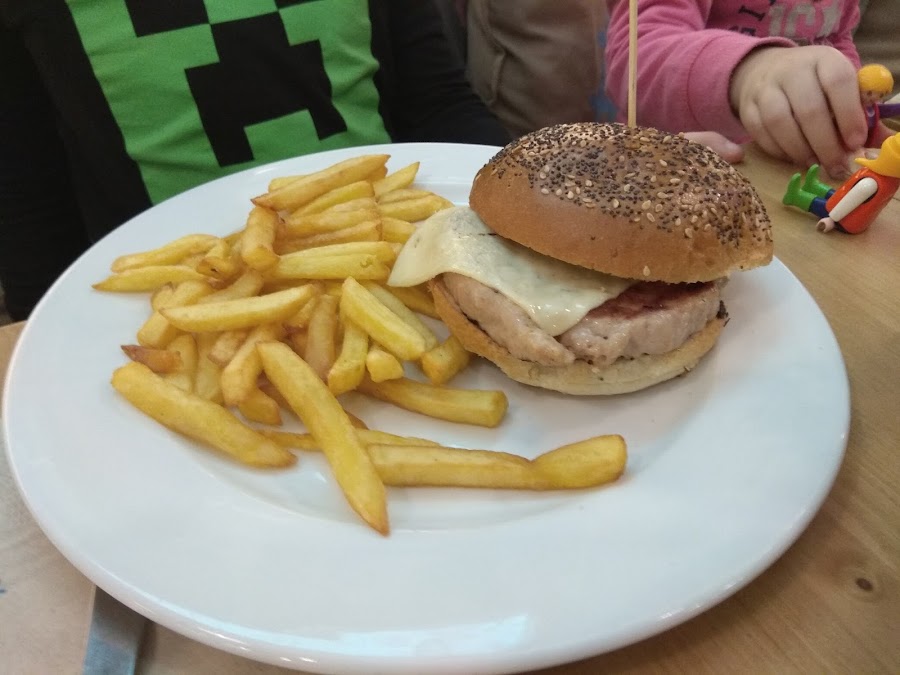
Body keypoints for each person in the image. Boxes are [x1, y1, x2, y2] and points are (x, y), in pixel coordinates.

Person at [0, 0, 510, 321]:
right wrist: (33, 336)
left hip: (413, 281)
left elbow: (440, 102)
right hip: (159, 311)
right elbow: (27, 194)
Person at [604, 0, 868, 182]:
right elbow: (634, 54)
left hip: (793, 172)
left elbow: (835, 36)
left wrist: (852, 109)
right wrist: (748, 71)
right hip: (673, 175)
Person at [782, 132, 900, 234]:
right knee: (840, 196)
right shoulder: (892, 180)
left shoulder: (870, 184)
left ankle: (795, 196)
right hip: (859, 221)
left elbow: (847, 203)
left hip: (845, 221)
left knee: (833, 205)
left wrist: (832, 219)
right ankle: (813, 186)